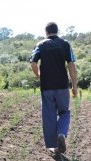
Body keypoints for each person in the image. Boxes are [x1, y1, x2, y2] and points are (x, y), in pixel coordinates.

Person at [30, 22, 77, 154]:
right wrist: (74, 86)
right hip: (62, 86)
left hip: (47, 87)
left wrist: (39, 75)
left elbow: (33, 63)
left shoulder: (40, 44)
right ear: (57, 31)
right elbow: (72, 66)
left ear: (46, 32)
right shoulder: (65, 44)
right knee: (64, 112)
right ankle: (61, 134)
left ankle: (53, 146)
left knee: (49, 115)